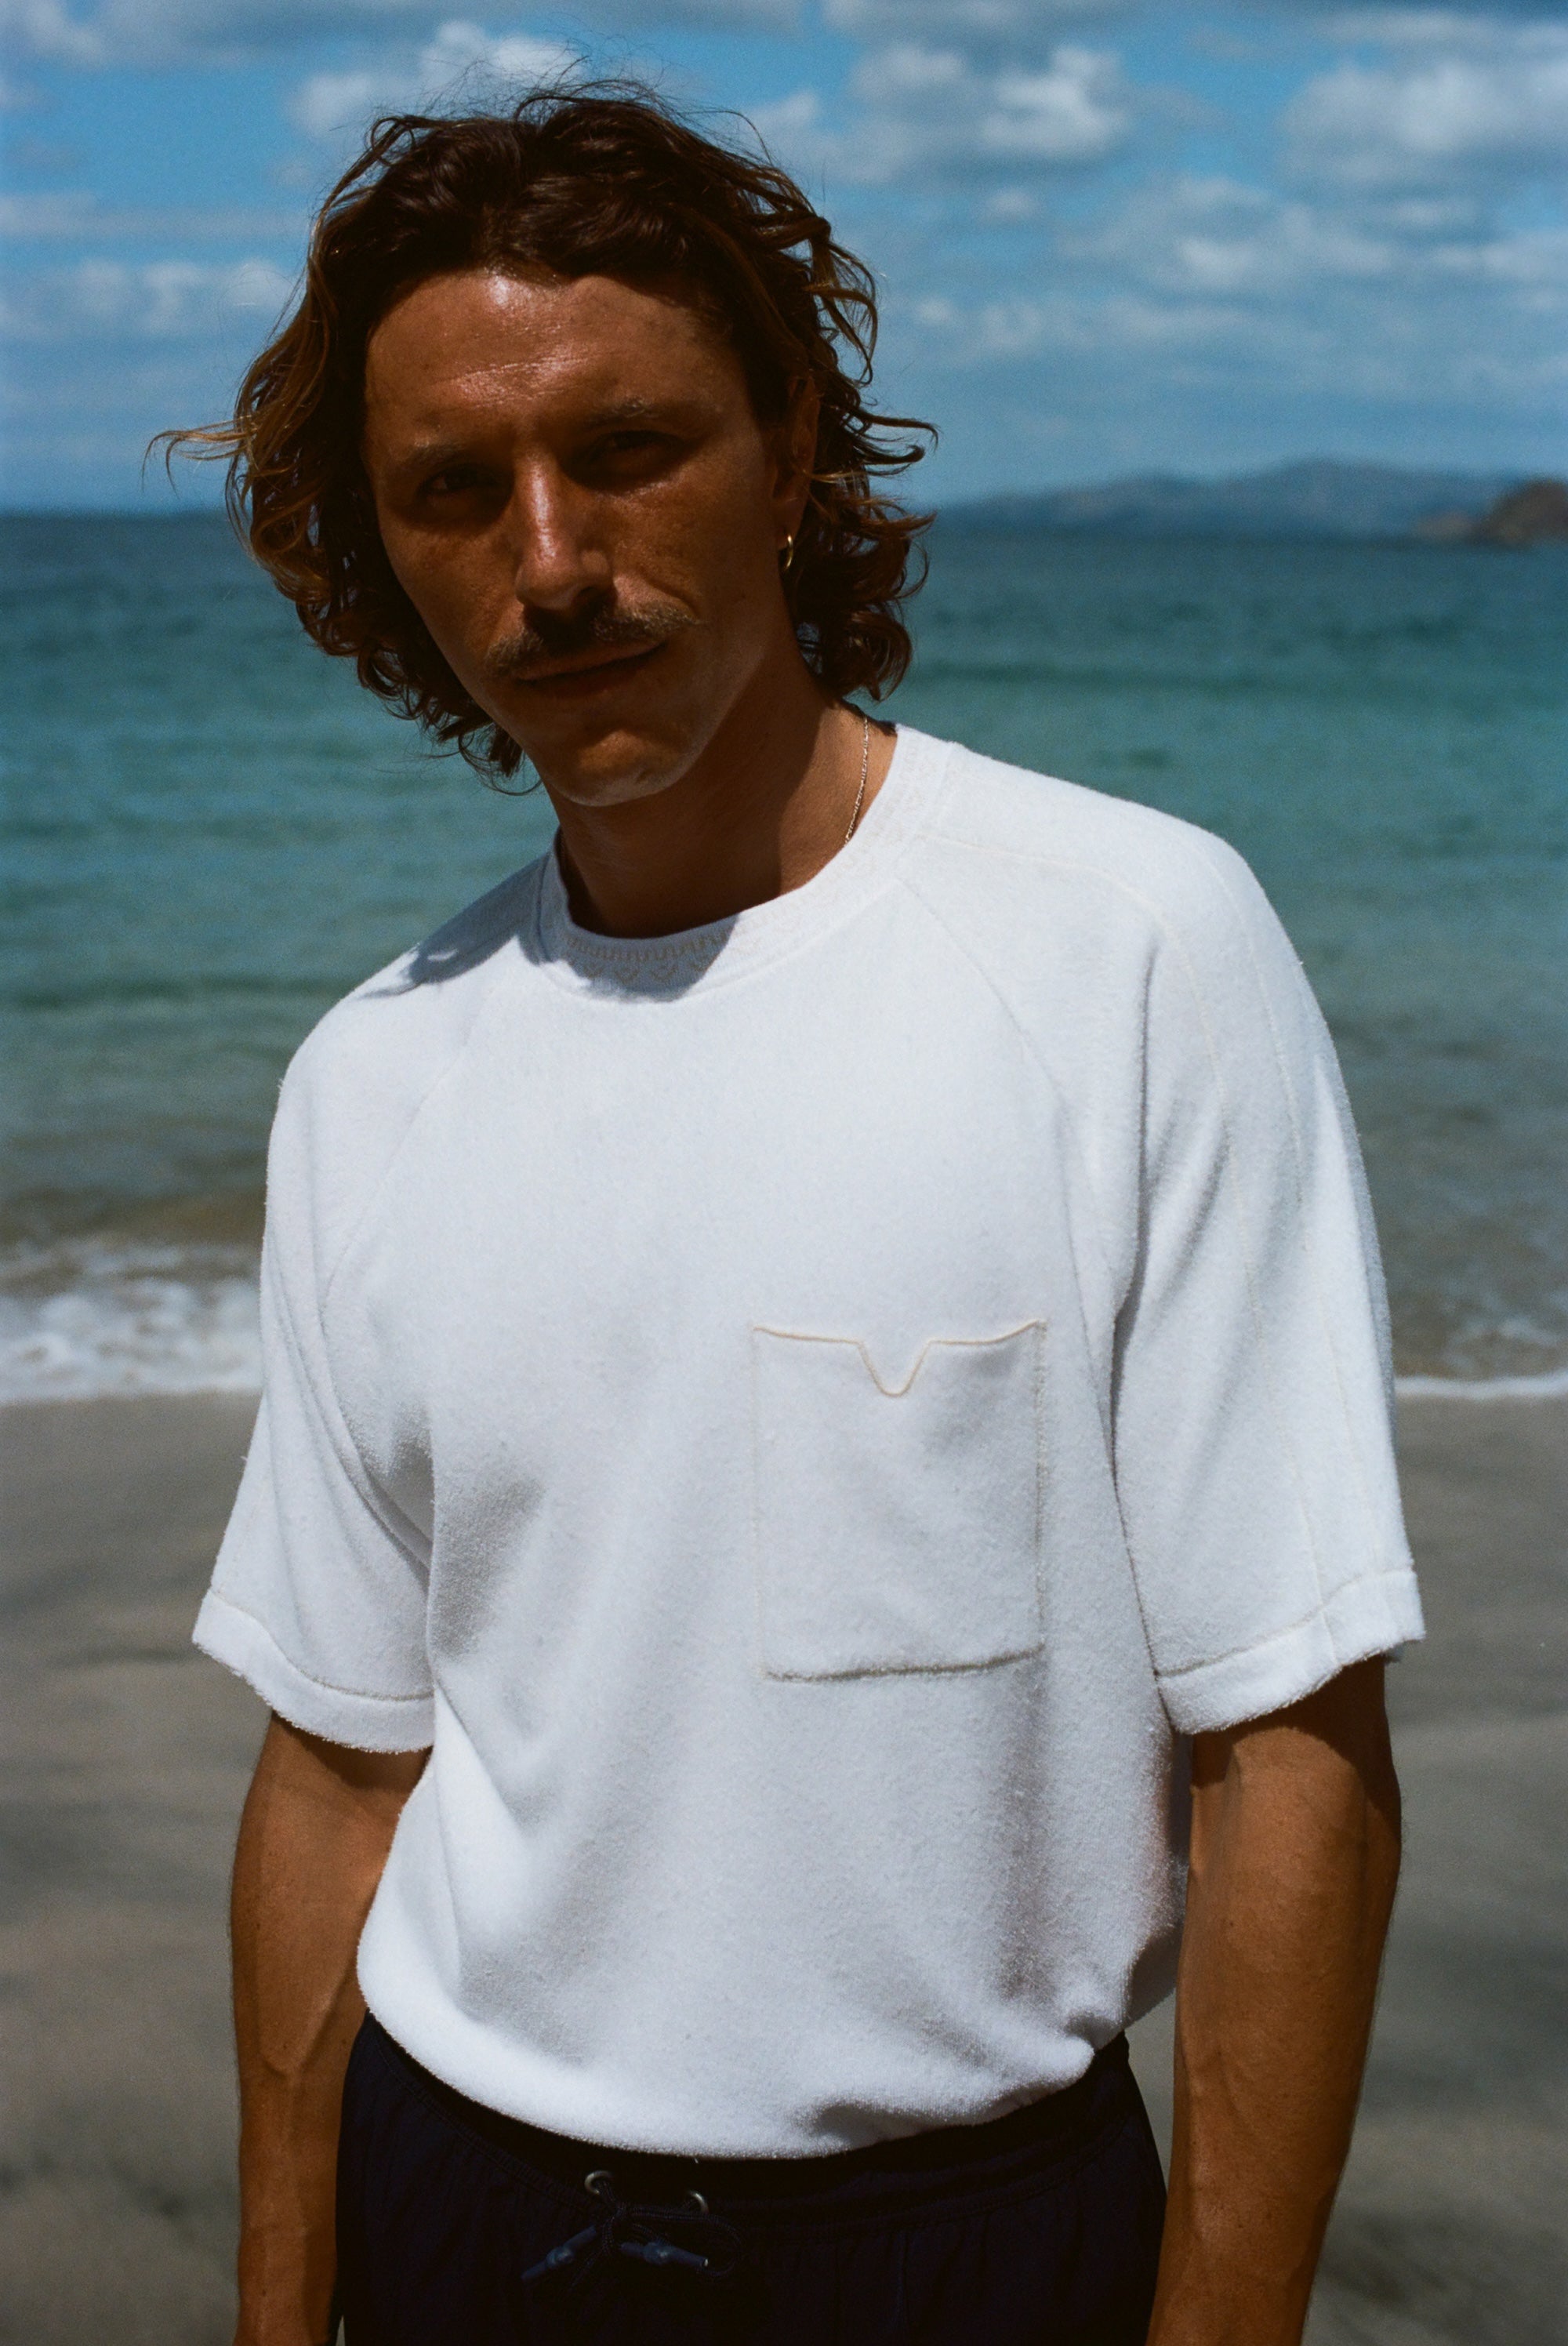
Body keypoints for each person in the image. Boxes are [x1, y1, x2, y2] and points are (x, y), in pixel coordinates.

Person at [175, 82, 1424, 2346]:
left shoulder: (1127, 949)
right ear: (381, 553)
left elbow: (1288, 1766)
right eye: (456, 492)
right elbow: (340, 1775)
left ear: (791, 448)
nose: (549, 559)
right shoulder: (374, 1072)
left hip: (962, 2238)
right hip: (453, 2202)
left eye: (629, 449)